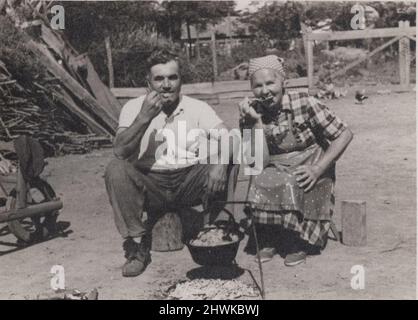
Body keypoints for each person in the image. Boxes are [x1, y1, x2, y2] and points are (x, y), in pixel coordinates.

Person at [105, 48, 236, 277]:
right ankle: (137, 246)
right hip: (150, 184)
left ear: (180, 80)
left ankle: (218, 236)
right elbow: (119, 150)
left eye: (172, 77)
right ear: (149, 83)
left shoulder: (197, 107)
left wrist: (221, 164)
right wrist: (145, 117)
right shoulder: (133, 107)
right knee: (115, 169)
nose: (166, 85)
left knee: (231, 158)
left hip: (189, 181)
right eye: (159, 79)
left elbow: (228, 136)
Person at [239, 55, 353, 266]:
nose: (265, 91)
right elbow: (256, 163)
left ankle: (297, 241)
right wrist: (254, 123)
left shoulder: (305, 102)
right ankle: (270, 237)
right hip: (275, 165)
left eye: (270, 83)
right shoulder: (252, 111)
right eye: (258, 86)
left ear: (284, 83)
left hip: (312, 164)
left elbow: (344, 134)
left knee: (292, 182)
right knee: (258, 179)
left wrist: (318, 169)